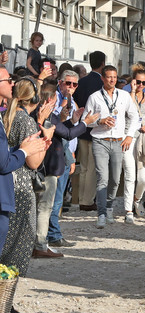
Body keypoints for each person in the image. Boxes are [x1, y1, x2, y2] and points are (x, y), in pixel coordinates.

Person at [0, 77, 54, 313]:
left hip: (8, 184)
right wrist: (47, 139)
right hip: (21, 187)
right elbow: (33, 162)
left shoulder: (8, 115)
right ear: (36, 98)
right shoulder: (26, 121)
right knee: (18, 247)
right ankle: (5, 303)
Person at [33, 83, 96, 257]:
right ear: (51, 98)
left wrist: (71, 121)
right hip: (48, 167)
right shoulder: (46, 116)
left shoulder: (40, 114)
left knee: (41, 206)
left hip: (43, 166)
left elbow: (62, 130)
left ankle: (40, 242)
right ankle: (40, 245)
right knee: (45, 206)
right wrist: (85, 123)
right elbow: (67, 135)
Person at [84, 65, 140, 228]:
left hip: (118, 141)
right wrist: (99, 121)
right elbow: (85, 121)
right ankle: (101, 213)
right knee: (103, 177)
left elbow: (134, 115)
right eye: (109, 77)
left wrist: (129, 135)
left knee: (115, 179)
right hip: (100, 140)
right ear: (102, 78)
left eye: (114, 77)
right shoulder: (94, 97)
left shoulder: (123, 95)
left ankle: (109, 207)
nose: (112, 80)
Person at [48, 70, 87, 247]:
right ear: (60, 82)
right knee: (53, 198)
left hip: (66, 153)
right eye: (68, 83)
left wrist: (72, 156)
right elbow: (58, 126)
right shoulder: (54, 99)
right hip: (54, 153)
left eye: (74, 84)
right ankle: (53, 235)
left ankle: (53, 232)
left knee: (59, 197)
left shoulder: (74, 101)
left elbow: (71, 132)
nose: (71, 87)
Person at [121, 68, 145, 222]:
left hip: (144, 138)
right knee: (130, 175)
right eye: (138, 82)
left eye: (144, 82)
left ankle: (136, 199)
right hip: (128, 137)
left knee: (143, 178)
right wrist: (131, 91)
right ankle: (128, 210)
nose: (141, 85)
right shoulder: (125, 96)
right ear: (133, 81)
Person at [73, 51, 107, 212]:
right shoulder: (101, 83)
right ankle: (87, 200)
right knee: (93, 168)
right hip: (96, 128)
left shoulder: (82, 81)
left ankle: (81, 198)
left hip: (81, 128)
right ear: (103, 63)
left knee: (84, 168)